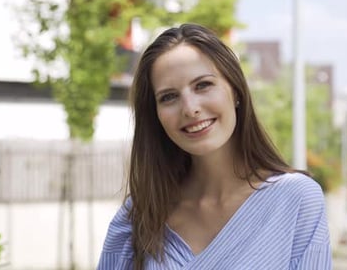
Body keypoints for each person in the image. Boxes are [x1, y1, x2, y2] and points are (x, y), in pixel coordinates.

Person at [97, 23, 332, 270]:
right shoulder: (139, 215)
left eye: (203, 85)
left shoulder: (296, 199)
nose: (190, 108)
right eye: (169, 97)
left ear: (236, 90)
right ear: (155, 115)